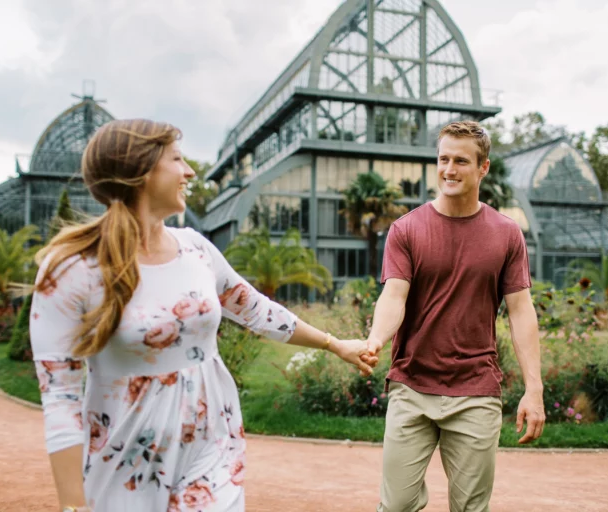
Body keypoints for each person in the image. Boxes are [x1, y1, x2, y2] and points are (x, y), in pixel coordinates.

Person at [29, 119, 377, 512]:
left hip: (212, 446)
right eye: (177, 159)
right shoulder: (71, 269)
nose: (189, 171)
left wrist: (334, 345)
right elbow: (60, 396)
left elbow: (256, 309)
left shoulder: (195, 248)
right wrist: (73, 506)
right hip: (124, 461)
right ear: (141, 170)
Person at [364, 121, 545, 511]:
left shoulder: (506, 233)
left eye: (461, 161)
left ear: (483, 168)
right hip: (412, 386)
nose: (449, 169)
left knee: (470, 508)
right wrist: (376, 339)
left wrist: (534, 389)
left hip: (475, 389)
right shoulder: (407, 229)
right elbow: (393, 296)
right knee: (395, 506)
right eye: (443, 159)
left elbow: (521, 311)